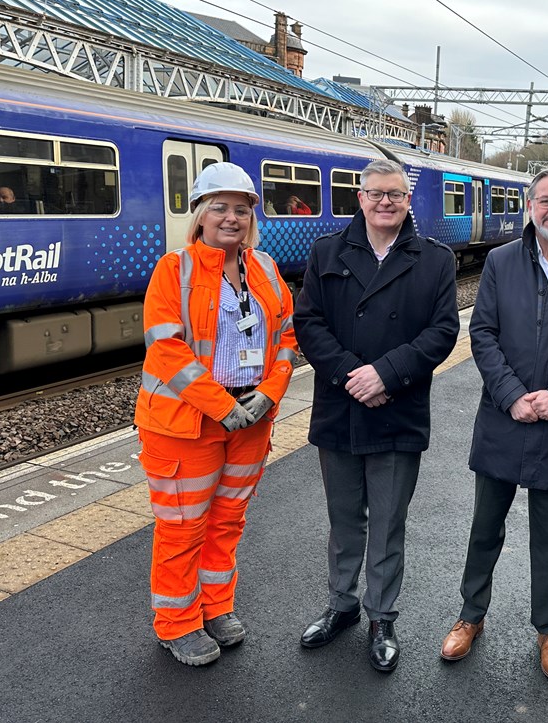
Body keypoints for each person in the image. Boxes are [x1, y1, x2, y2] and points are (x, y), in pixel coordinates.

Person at [439, 167, 548, 684]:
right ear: (530, 206)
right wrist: (513, 395)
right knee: (484, 530)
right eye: (545, 200)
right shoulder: (499, 262)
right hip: (503, 419)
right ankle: (470, 616)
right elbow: (484, 333)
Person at [293, 160, 458, 673]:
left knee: (388, 524)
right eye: (375, 194)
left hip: (397, 408)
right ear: (359, 199)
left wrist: (385, 374)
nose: (385, 202)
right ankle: (341, 605)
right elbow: (308, 322)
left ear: (409, 201)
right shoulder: (327, 252)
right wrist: (351, 375)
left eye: (395, 194)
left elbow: (443, 332)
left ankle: (381, 617)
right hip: (341, 407)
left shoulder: (435, 260)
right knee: (344, 522)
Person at [133, 161, 298, 667]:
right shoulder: (174, 269)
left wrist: (270, 394)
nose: (232, 218)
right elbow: (167, 350)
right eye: (220, 208)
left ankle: (215, 607)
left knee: (227, 521)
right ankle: (177, 623)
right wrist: (222, 406)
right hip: (187, 423)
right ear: (200, 215)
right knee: (183, 526)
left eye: (242, 209)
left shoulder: (266, 269)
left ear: (252, 217)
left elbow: (286, 340)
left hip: (251, 418)